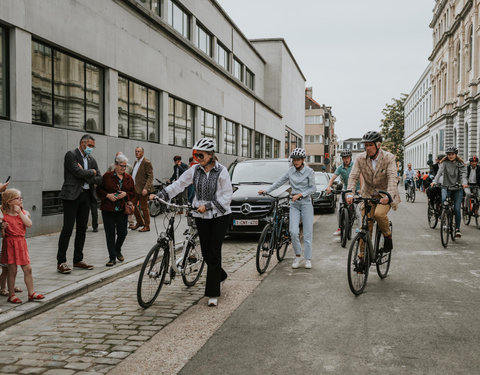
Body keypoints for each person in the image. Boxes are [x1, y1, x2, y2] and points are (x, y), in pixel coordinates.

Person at [150, 138, 232, 307]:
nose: (197, 157)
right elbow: (179, 184)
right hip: (201, 217)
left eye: (200, 154)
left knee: (214, 252)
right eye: (195, 154)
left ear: (210, 155)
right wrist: (161, 195)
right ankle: (221, 275)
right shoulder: (194, 170)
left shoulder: (222, 171)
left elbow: (226, 197)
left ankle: (212, 293)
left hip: (219, 216)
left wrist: (207, 205)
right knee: (207, 252)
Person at [258, 148, 316, 269]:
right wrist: (267, 190)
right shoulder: (290, 171)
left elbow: (313, 189)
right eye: (294, 160)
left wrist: (300, 195)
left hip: (305, 203)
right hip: (294, 204)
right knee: (293, 231)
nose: (296, 162)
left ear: (303, 160)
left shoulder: (309, 172)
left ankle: (308, 258)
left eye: (298, 160)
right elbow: (279, 182)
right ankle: (298, 255)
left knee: (307, 233)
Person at [346, 131, 400, 254]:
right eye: (366, 145)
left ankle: (387, 236)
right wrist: (350, 193)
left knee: (379, 214)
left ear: (378, 145)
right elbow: (353, 176)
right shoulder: (360, 158)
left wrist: (389, 196)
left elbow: (392, 177)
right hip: (368, 193)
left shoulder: (388, 157)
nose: (367, 148)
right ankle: (362, 256)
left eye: (370, 145)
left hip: (384, 194)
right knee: (365, 226)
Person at [57, 134, 102, 274]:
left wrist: (87, 173)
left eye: (93, 146)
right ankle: (61, 261)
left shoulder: (91, 159)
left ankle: (78, 259)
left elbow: (99, 178)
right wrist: (90, 173)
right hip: (71, 196)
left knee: (82, 229)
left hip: (86, 197)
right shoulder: (71, 155)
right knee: (68, 229)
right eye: (90, 146)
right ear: (82, 144)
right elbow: (77, 173)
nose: (91, 149)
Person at [0, 189, 44, 303]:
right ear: (10, 201)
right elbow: (3, 235)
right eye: (18, 198)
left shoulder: (24, 212)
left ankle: (31, 293)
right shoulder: (3, 215)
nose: (21, 200)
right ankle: (12, 294)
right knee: (12, 270)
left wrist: (19, 212)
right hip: (9, 244)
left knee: (28, 269)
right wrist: (3, 228)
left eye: (21, 198)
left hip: (21, 243)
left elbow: (29, 224)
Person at [97, 154, 135, 266]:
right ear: (115, 165)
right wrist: (107, 195)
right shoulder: (107, 176)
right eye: (121, 166)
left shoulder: (128, 178)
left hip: (122, 209)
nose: (123, 168)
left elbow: (133, 193)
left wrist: (125, 194)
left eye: (125, 166)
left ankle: (117, 249)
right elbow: (98, 190)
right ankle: (112, 257)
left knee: (123, 232)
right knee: (110, 234)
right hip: (108, 209)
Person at [431, 146, 468, 238]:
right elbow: (439, 172)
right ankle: (445, 218)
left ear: (456, 155)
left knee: (456, 209)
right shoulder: (444, 163)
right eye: (449, 154)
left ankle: (457, 229)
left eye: (452, 154)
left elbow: (463, 175)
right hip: (446, 187)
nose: (450, 156)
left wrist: (464, 183)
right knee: (444, 201)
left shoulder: (460, 164)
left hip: (457, 188)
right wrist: (434, 181)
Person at [325, 149, 363, 235]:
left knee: (357, 211)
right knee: (339, 208)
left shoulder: (355, 166)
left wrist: (361, 189)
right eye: (344, 158)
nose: (346, 159)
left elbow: (361, 176)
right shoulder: (340, 168)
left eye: (348, 157)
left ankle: (359, 227)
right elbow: (333, 177)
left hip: (356, 189)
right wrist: (328, 186)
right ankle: (340, 228)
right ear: (342, 159)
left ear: (350, 158)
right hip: (346, 189)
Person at [108, 152, 134, 228]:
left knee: (128, 205)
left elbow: (132, 176)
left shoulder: (129, 167)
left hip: (125, 190)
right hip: (115, 190)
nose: (123, 168)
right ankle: (116, 222)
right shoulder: (111, 166)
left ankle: (131, 222)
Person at [131, 147, 153, 232]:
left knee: (144, 208)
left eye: (138, 151)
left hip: (143, 189)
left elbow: (150, 176)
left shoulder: (146, 162)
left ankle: (147, 226)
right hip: (135, 188)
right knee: (132, 205)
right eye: (136, 151)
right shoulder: (136, 162)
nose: (137, 153)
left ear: (142, 153)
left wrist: (146, 188)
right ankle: (140, 222)